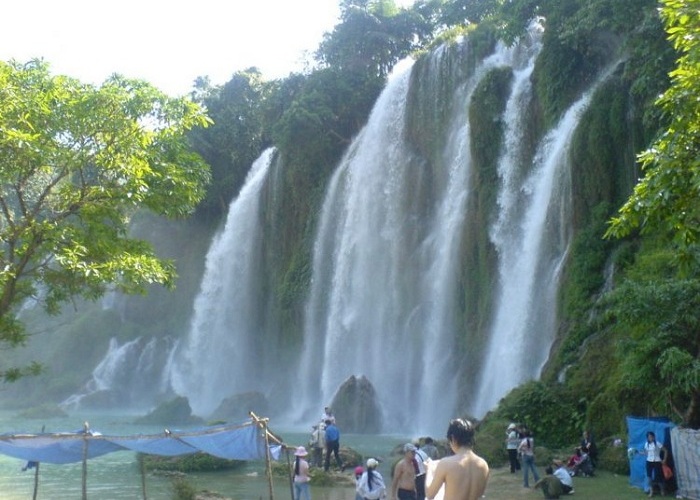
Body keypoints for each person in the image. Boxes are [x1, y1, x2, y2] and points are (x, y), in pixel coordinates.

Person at [425, 418, 489, 500]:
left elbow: (430, 495)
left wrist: (429, 469)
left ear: (453, 438)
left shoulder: (446, 463)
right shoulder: (483, 464)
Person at [643, 431, 665, 497]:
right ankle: (651, 492)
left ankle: (662, 490)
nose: (650, 438)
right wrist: (637, 452)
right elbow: (646, 453)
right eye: (649, 437)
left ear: (654, 437)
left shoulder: (657, 443)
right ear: (647, 438)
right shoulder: (646, 444)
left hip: (657, 461)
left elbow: (665, 450)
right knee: (649, 477)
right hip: (649, 461)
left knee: (658, 477)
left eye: (651, 436)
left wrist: (664, 460)